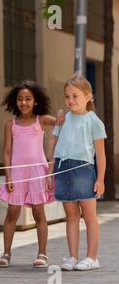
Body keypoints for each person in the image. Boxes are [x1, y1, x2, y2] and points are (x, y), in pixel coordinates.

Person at [0, 80, 59, 268]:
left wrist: (50, 172)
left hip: (38, 172)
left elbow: (63, 122)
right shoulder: (11, 124)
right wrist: (8, 176)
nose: (24, 103)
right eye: (20, 99)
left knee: (39, 212)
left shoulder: (42, 120)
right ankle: (6, 253)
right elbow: (7, 152)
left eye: (28, 99)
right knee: (12, 213)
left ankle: (42, 254)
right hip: (16, 173)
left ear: (35, 101)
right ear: (15, 102)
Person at [48, 75, 106, 271]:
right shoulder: (63, 119)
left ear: (88, 96)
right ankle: (72, 256)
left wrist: (100, 179)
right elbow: (54, 147)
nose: (70, 100)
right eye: (67, 96)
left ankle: (92, 257)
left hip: (84, 170)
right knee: (71, 216)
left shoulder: (94, 121)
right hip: (63, 169)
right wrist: (50, 172)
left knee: (89, 216)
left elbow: (100, 154)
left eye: (75, 96)